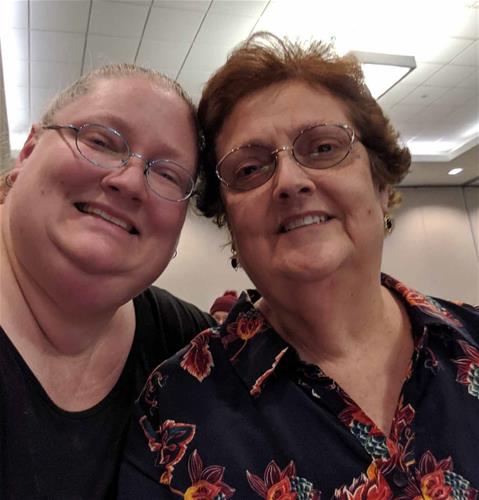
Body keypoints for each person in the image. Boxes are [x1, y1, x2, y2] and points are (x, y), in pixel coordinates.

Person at [118, 33, 479, 498]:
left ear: (381, 184)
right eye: (250, 169)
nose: (289, 181)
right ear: (230, 224)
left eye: (324, 148)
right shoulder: (169, 415)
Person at [0, 63, 216, 499]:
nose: (130, 182)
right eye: (100, 141)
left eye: (168, 174)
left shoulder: (188, 347)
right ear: (29, 151)